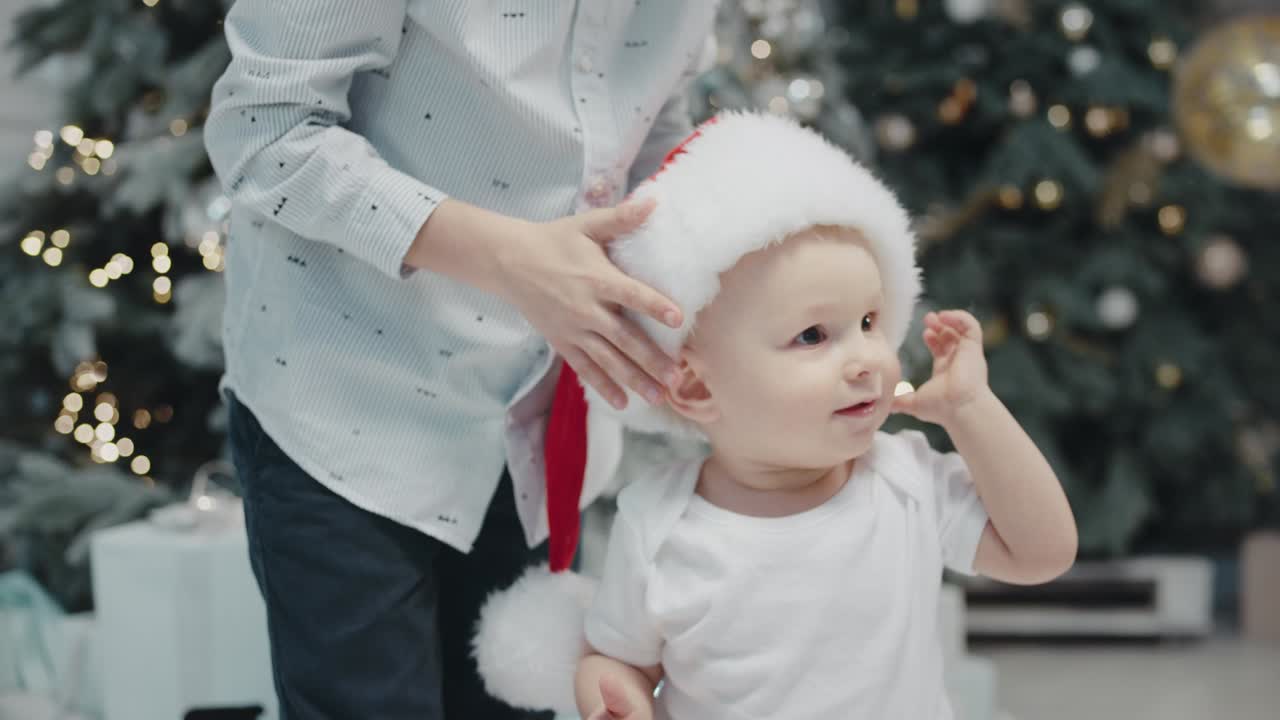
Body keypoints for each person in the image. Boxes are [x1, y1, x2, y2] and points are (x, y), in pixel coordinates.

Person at [469, 111, 1079, 719]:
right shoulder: (659, 527)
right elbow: (620, 657)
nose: (867, 357)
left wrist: (973, 409)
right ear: (696, 390)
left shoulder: (905, 484)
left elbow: (1041, 552)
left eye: (869, 322)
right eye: (814, 335)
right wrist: (617, 699)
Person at [202, 1, 719, 718]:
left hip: (527, 424)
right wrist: (512, 259)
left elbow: (650, 129)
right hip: (344, 410)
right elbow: (265, 129)